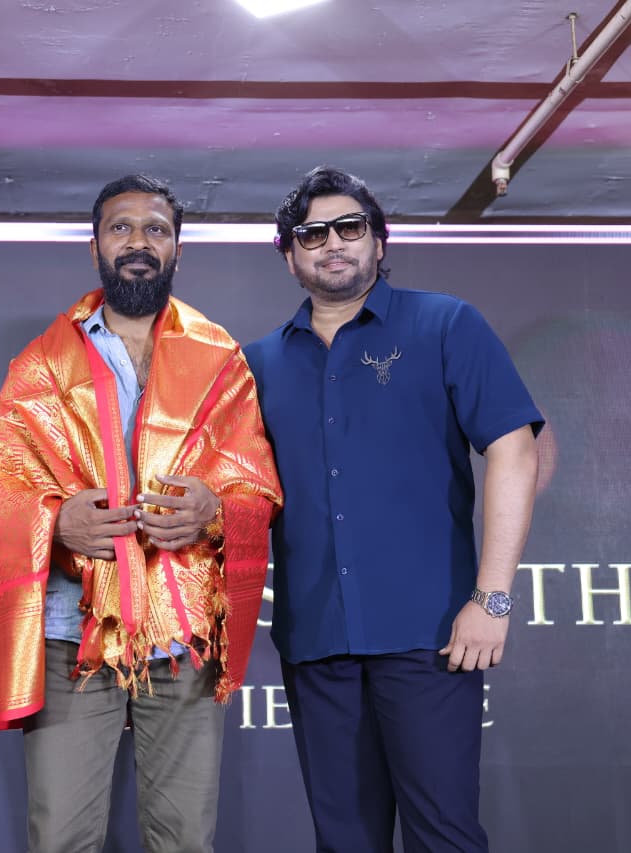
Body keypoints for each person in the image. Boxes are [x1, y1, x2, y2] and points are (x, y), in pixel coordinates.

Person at [0, 174, 282, 852]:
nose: (139, 242)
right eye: (121, 228)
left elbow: (254, 485)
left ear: (177, 250)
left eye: (156, 229)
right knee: (62, 838)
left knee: (184, 839)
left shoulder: (219, 356)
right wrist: (56, 520)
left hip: (182, 634)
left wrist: (213, 510)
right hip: (72, 631)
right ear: (95, 247)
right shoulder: (44, 362)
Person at [244, 166, 543, 853]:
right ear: (289, 256)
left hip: (430, 636)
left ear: (379, 242)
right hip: (316, 641)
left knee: (444, 836)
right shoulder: (257, 364)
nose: (332, 243)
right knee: (344, 841)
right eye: (311, 234)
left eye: (349, 227)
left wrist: (492, 598)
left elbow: (515, 450)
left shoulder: (445, 324)